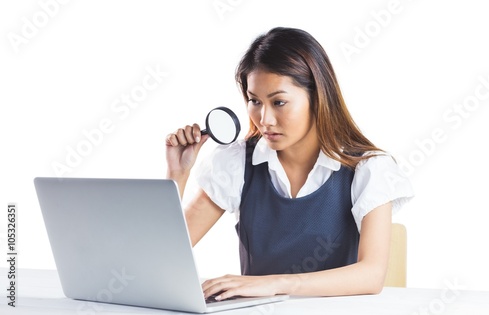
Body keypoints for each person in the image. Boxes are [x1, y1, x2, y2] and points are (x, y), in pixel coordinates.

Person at [165, 27, 413, 300]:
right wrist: (178, 175)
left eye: (279, 102)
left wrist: (274, 284)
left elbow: (371, 275)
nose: (264, 119)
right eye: (254, 101)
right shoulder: (237, 163)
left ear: (317, 98)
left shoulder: (367, 169)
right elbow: (162, 255)